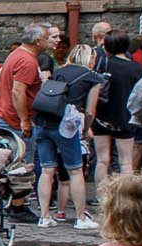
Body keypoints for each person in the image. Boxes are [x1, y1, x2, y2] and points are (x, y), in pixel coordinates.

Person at [34, 44, 106, 229]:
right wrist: (85, 129)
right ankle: (81, 218)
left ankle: (44, 216)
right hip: (66, 126)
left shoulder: (59, 71)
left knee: (47, 170)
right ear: (90, 59)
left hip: (43, 122)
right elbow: (90, 111)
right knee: (75, 171)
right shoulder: (93, 78)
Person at [94, 33, 142, 201]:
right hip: (125, 117)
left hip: (101, 117)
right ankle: (125, 198)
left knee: (102, 160)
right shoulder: (136, 69)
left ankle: (102, 197)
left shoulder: (101, 65)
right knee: (126, 162)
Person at [0, 25, 46, 140]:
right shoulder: (27, 61)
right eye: (47, 38)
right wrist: (24, 120)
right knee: (23, 157)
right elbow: (17, 91)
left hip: (5, 116)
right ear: (37, 41)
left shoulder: (16, 54)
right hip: (13, 121)